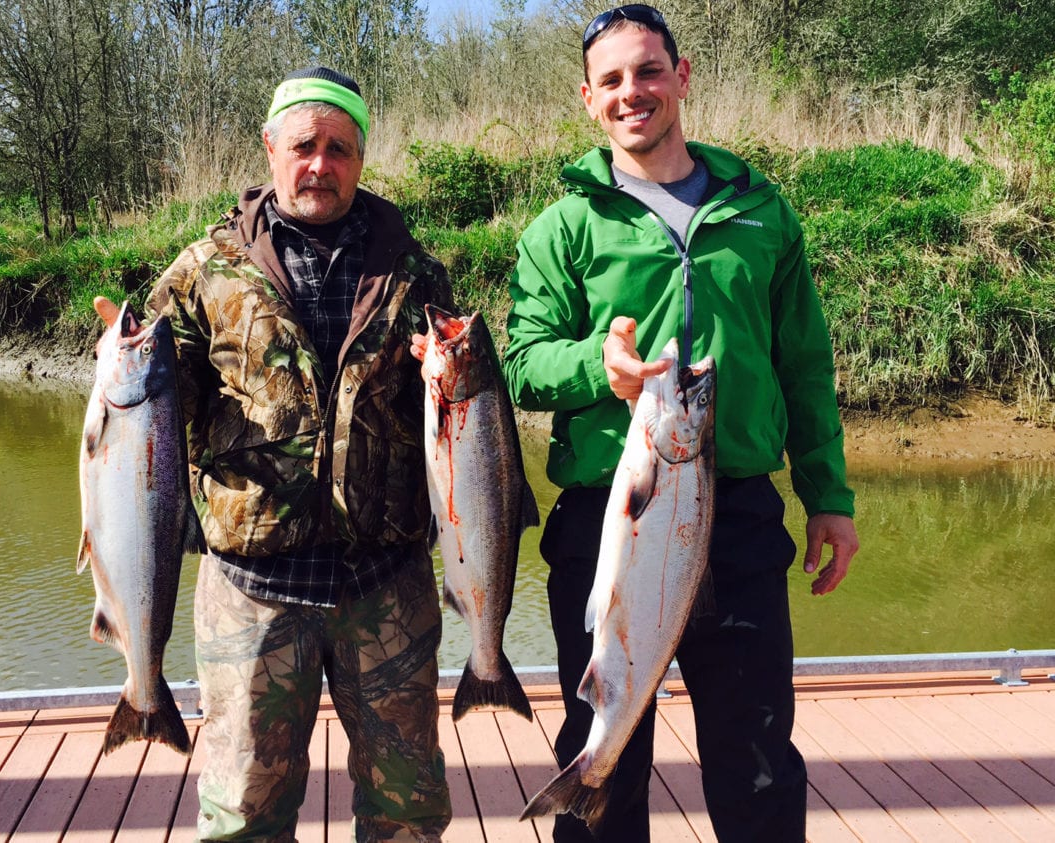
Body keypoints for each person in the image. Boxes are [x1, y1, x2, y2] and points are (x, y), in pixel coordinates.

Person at [501, 7, 859, 842]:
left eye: (650, 70)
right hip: (610, 518)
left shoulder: (762, 210)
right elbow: (522, 362)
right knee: (608, 759)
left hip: (734, 518)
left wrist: (828, 496)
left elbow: (804, 364)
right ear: (588, 98)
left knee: (759, 763)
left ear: (683, 74)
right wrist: (602, 366)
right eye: (614, 79)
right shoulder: (563, 227)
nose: (635, 92)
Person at [96, 66, 452, 843]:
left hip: (385, 588)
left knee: (408, 812)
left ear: (362, 156)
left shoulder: (417, 272)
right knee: (243, 817)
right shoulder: (202, 271)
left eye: (340, 149)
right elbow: (151, 411)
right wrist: (116, 363)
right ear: (269, 147)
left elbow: (461, 421)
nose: (320, 164)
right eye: (304, 145)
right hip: (251, 591)